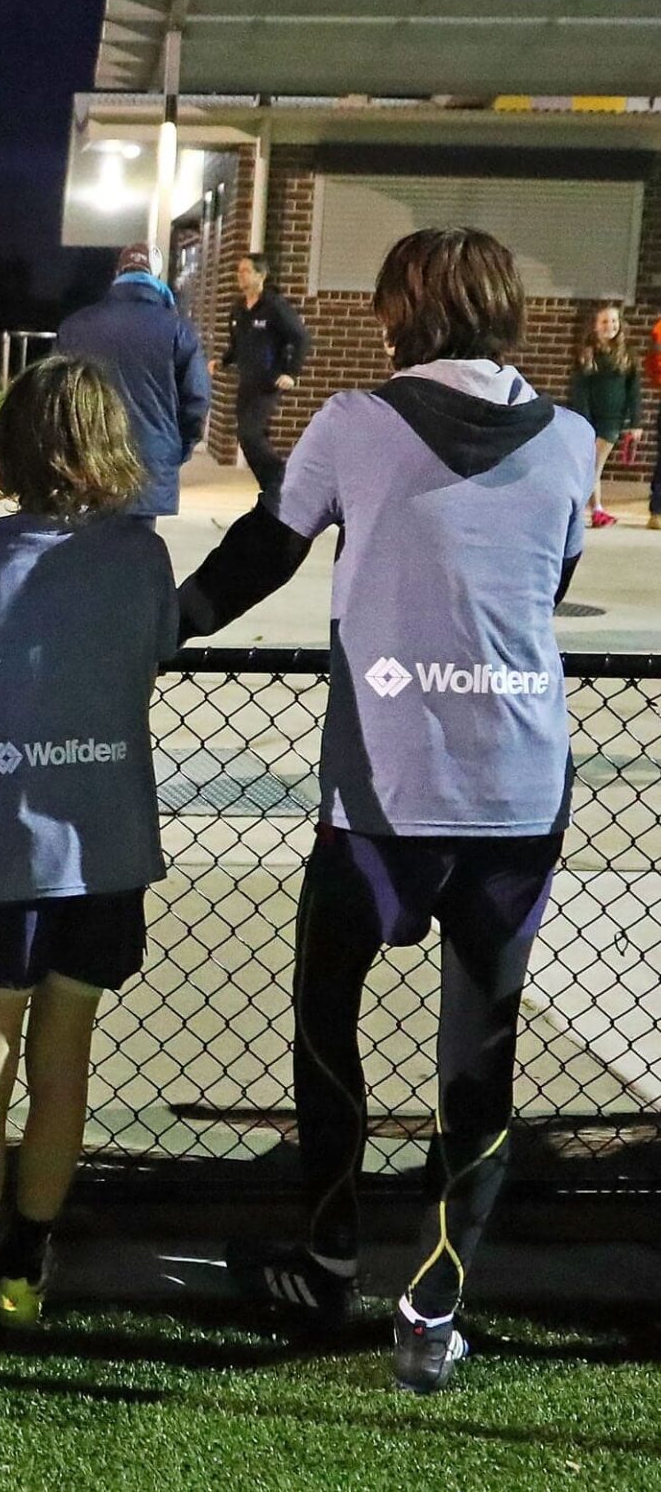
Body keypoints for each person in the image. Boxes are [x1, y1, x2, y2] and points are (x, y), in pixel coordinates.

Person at [178, 227, 589, 1394]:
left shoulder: (354, 423)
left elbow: (265, 551)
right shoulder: (570, 439)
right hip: (518, 790)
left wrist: (161, 626)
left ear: (404, 311)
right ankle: (434, 1309)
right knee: (481, 1054)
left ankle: (327, 1258)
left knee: (327, 1019)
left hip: (380, 793)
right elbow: (550, 584)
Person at [0, 356, 173, 1380]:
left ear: (13, 447)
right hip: (107, 848)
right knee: (65, 1062)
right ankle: (26, 1266)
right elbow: (157, 647)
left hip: (4, 849)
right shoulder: (141, 556)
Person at [56, 243, 210, 516]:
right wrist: (175, 450)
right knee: (138, 540)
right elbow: (196, 401)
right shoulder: (178, 330)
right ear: (155, 276)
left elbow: (54, 397)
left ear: (118, 274)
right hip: (149, 463)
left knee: (85, 539)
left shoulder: (75, 326)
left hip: (88, 463)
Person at [209, 252, 310, 507]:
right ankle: (273, 493)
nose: (240, 276)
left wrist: (291, 373)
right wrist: (222, 361)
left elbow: (300, 338)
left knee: (250, 434)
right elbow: (237, 345)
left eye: (246, 271)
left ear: (261, 275)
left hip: (268, 383)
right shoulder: (238, 309)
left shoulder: (274, 306)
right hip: (247, 382)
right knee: (247, 439)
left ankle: (280, 479)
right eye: (239, 271)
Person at [569, 300, 637, 529]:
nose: (610, 325)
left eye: (614, 321)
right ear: (595, 326)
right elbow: (580, 390)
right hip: (589, 419)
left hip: (612, 421)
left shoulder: (626, 355)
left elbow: (634, 392)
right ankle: (593, 509)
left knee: (594, 465)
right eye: (605, 321)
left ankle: (594, 509)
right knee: (591, 466)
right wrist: (582, 420)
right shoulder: (587, 355)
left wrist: (635, 421)